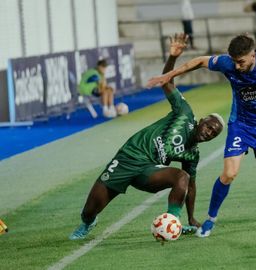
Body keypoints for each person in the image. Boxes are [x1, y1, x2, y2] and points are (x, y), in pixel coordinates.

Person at [147, 34, 256, 237]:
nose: (237, 66)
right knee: (229, 174)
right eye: (234, 61)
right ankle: (211, 219)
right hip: (240, 126)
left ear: (253, 55)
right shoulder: (228, 63)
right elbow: (199, 61)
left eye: (241, 62)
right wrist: (169, 75)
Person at [69, 34, 224, 240]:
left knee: (183, 177)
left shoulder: (191, 155)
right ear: (201, 120)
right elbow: (167, 83)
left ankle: (172, 223)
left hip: (148, 171)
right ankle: (88, 222)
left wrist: (191, 217)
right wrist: (172, 58)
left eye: (214, 133)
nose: (209, 132)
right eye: (209, 126)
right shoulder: (184, 114)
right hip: (128, 157)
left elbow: (190, 187)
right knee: (89, 210)